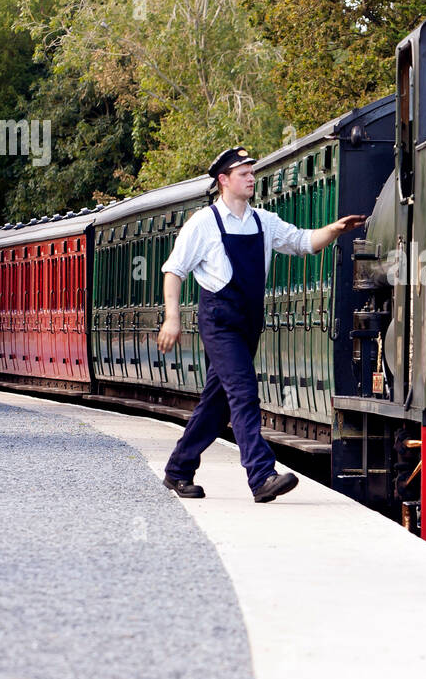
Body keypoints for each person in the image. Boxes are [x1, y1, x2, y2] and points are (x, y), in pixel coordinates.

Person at [157, 146, 367, 501]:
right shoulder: (203, 223)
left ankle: (178, 469)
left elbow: (303, 242)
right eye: (243, 172)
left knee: (218, 402)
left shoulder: (263, 221)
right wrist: (172, 318)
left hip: (249, 319)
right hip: (219, 319)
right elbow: (173, 270)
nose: (251, 177)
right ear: (224, 180)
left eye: (252, 171)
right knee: (243, 392)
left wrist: (333, 229)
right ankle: (261, 475)